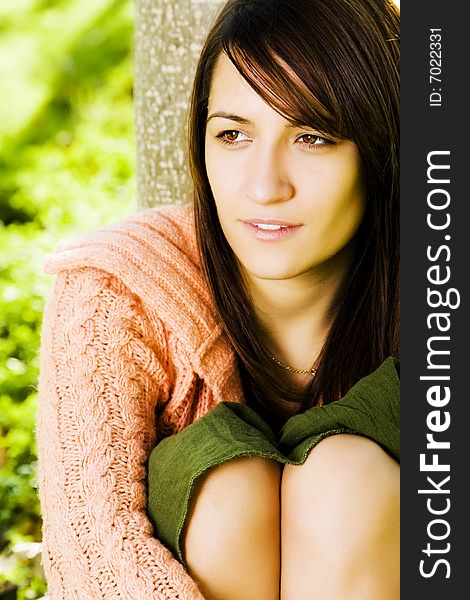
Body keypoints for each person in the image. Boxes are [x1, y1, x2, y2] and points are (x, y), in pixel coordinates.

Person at [36, 0, 400, 598]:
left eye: (311, 137)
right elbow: (91, 552)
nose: (264, 186)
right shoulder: (120, 287)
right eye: (233, 134)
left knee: (346, 480)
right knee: (227, 489)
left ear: (382, 146)